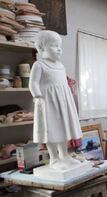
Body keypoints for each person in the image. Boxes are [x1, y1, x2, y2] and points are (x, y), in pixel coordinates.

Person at [29, 30, 82, 170]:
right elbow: (33, 83)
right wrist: (38, 96)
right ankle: (54, 158)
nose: (59, 49)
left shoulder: (61, 66)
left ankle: (64, 155)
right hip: (48, 102)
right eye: (54, 45)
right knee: (51, 130)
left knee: (63, 128)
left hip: (63, 102)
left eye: (60, 46)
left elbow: (63, 84)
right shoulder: (39, 65)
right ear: (41, 48)